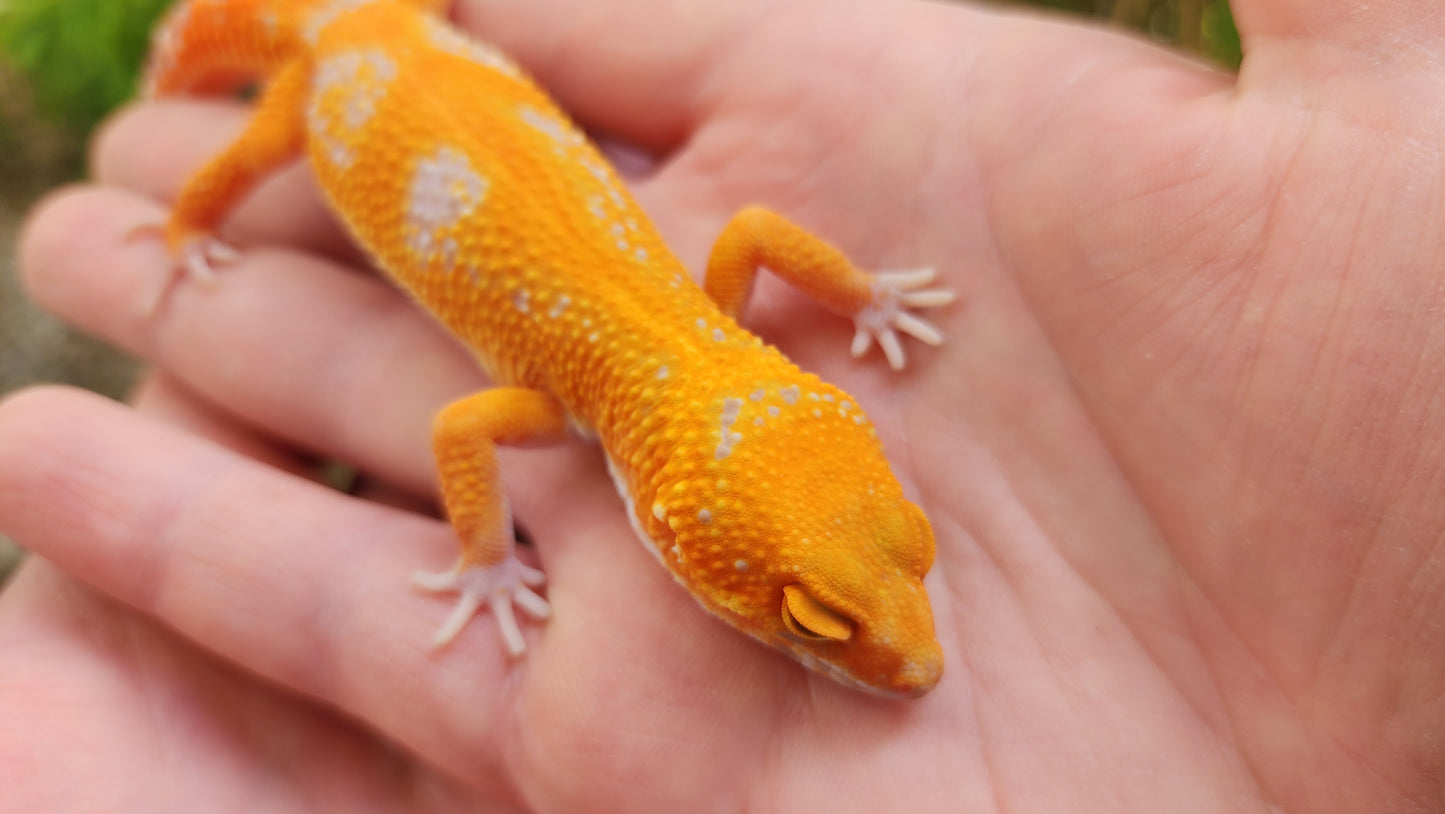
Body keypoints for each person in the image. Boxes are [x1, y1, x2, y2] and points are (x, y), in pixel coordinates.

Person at [3, 0, 1443, 809]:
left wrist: (864, 291)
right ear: (678, 531)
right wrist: (482, 552)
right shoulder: (591, 390)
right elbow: (470, 424)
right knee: (246, 138)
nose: (908, 654)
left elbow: (748, 237)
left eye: (883, 578)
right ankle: (190, 202)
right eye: (819, 617)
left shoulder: (684, 340)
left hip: (420, 57)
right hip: (347, 62)